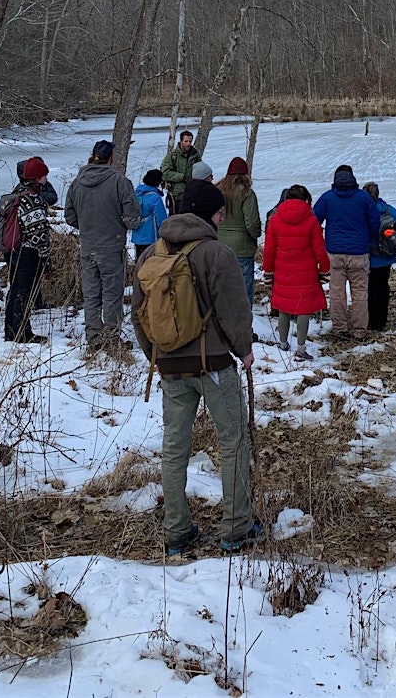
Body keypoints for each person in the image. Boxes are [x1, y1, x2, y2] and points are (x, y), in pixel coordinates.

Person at [131, 179, 262, 555]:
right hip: (215, 365)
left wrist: (154, 356)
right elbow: (234, 310)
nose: (223, 218)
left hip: (170, 367)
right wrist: (245, 350)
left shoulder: (150, 255)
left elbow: (137, 314)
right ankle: (235, 528)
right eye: (221, 212)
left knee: (174, 448)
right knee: (232, 441)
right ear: (212, 215)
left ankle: (176, 530)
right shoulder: (215, 253)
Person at [64, 139, 141, 352]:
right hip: (112, 247)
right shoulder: (119, 181)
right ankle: (111, 338)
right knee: (112, 294)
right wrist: (117, 223)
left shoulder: (77, 183)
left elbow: (69, 216)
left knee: (91, 294)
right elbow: (133, 218)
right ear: (111, 158)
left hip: (88, 246)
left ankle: (93, 337)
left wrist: (87, 226)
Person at [262, 184, 329, 361]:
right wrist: (325, 268)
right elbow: (319, 249)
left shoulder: (276, 219)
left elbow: (269, 249)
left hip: (283, 271)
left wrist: (268, 271)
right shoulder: (311, 220)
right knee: (303, 310)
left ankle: (283, 344)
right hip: (305, 272)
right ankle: (300, 347)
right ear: (305, 198)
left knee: (283, 307)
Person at [313, 165, 380, 340]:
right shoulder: (364, 198)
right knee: (359, 293)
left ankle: (340, 328)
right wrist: (370, 241)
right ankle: (359, 331)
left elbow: (314, 221)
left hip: (334, 253)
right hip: (359, 252)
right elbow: (375, 223)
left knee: (336, 293)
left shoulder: (327, 198)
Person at [5, 157, 52, 345]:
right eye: (44, 176)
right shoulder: (32, 199)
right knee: (24, 293)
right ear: (37, 177)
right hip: (27, 253)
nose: (46, 179)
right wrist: (45, 254)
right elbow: (37, 232)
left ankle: (11, 330)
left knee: (15, 290)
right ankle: (22, 333)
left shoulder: (16, 193)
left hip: (12, 250)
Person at [216, 157, 262, 306]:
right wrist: (256, 235)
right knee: (243, 290)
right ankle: (244, 326)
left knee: (223, 289)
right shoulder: (247, 194)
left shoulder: (217, 191)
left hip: (220, 246)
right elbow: (252, 223)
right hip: (242, 248)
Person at [362, 181, 396, 332]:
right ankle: (382, 321)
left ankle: (372, 321)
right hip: (386, 256)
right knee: (383, 287)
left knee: (370, 289)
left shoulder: (363, 211)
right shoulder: (389, 210)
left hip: (370, 257)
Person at [131, 169, 168, 261]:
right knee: (150, 262)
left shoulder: (136, 194)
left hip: (137, 236)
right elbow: (161, 219)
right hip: (151, 237)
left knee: (139, 260)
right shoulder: (155, 198)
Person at [161, 130, 200, 213]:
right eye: (186, 141)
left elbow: (201, 170)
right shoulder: (172, 155)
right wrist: (182, 177)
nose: (188, 144)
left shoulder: (195, 155)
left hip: (192, 193)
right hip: (176, 195)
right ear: (181, 141)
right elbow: (165, 173)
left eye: (190, 141)